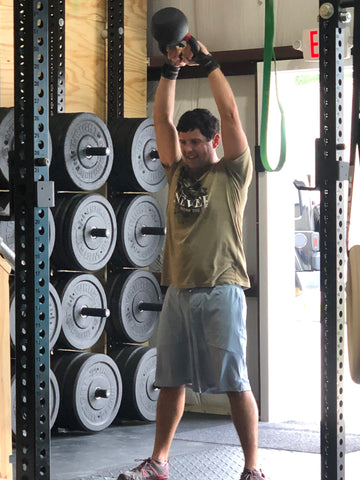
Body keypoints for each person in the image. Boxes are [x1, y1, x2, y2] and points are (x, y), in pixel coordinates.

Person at [118, 37, 265, 480]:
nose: (188, 148)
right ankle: (159, 463)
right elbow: (160, 118)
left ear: (214, 141)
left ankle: (252, 468)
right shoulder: (177, 168)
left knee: (236, 384)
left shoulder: (233, 173)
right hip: (179, 291)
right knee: (170, 381)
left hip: (222, 289)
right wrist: (170, 70)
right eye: (184, 141)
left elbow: (232, 113)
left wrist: (208, 62)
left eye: (197, 142)